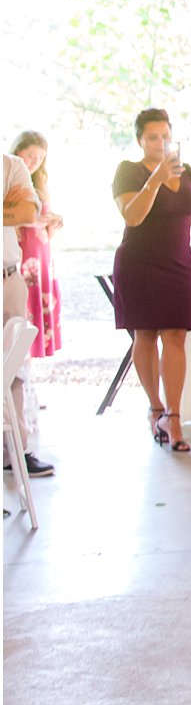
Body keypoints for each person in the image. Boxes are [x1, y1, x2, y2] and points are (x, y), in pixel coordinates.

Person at [113, 109, 191, 452]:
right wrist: (155, 179)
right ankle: (156, 409)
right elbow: (132, 215)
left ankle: (176, 417)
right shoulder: (128, 171)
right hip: (138, 265)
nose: (160, 143)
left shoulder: (190, 175)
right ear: (139, 140)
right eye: (152, 137)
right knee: (146, 334)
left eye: (165, 136)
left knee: (176, 337)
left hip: (178, 266)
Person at [2, 149, 51, 477]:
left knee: (13, 369)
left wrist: (15, 208)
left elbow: (28, 211)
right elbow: (14, 210)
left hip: (8, 278)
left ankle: (15, 451)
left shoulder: (11, 165)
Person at [10, 131, 62, 356]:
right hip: (20, 255)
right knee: (19, 314)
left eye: (39, 158)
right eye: (29, 155)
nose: (33, 162)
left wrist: (54, 222)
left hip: (41, 257)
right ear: (18, 151)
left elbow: (45, 231)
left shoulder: (39, 185)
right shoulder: (11, 180)